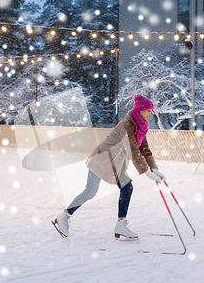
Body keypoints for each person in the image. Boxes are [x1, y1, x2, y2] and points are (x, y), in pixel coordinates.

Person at [52, 94, 166, 240]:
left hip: (115, 163)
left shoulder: (141, 125)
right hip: (101, 160)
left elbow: (144, 148)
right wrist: (146, 172)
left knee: (127, 187)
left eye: (151, 111)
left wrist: (154, 168)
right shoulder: (127, 125)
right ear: (140, 110)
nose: (150, 114)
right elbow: (132, 149)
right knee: (90, 192)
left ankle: (120, 224)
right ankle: (65, 215)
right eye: (148, 110)